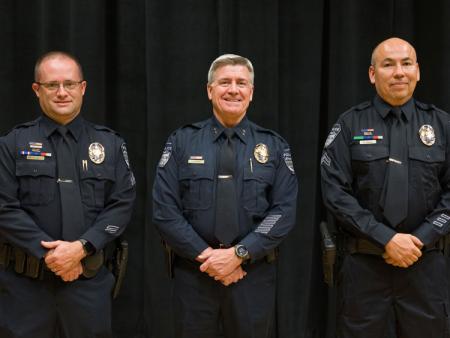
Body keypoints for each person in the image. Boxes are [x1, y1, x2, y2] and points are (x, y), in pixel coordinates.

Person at [152, 54, 298, 338]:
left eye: (241, 83)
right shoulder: (181, 142)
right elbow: (165, 210)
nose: (233, 89)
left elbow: (283, 212)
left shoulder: (274, 146)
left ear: (251, 92)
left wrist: (239, 255)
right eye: (224, 82)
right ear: (209, 90)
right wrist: (208, 257)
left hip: (252, 276)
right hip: (195, 275)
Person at [0, 51, 136, 337]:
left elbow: (121, 204)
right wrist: (51, 255)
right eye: (52, 85)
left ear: (82, 88)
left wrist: (81, 248)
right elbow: (4, 207)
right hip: (26, 289)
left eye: (70, 84)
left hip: (87, 285)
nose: (62, 92)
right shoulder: (12, 143)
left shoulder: (109, 144)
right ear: (37, 90)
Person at [321, 37, 450, 337]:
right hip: (365, 267)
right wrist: (386, 238)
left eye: (406, 64)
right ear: (372, 74)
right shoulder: (349, 125)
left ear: (418, 71)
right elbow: (335, 193)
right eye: (388, 65)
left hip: (425, 267)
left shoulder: (442, 126)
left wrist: (418, 239)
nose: (399, 72)